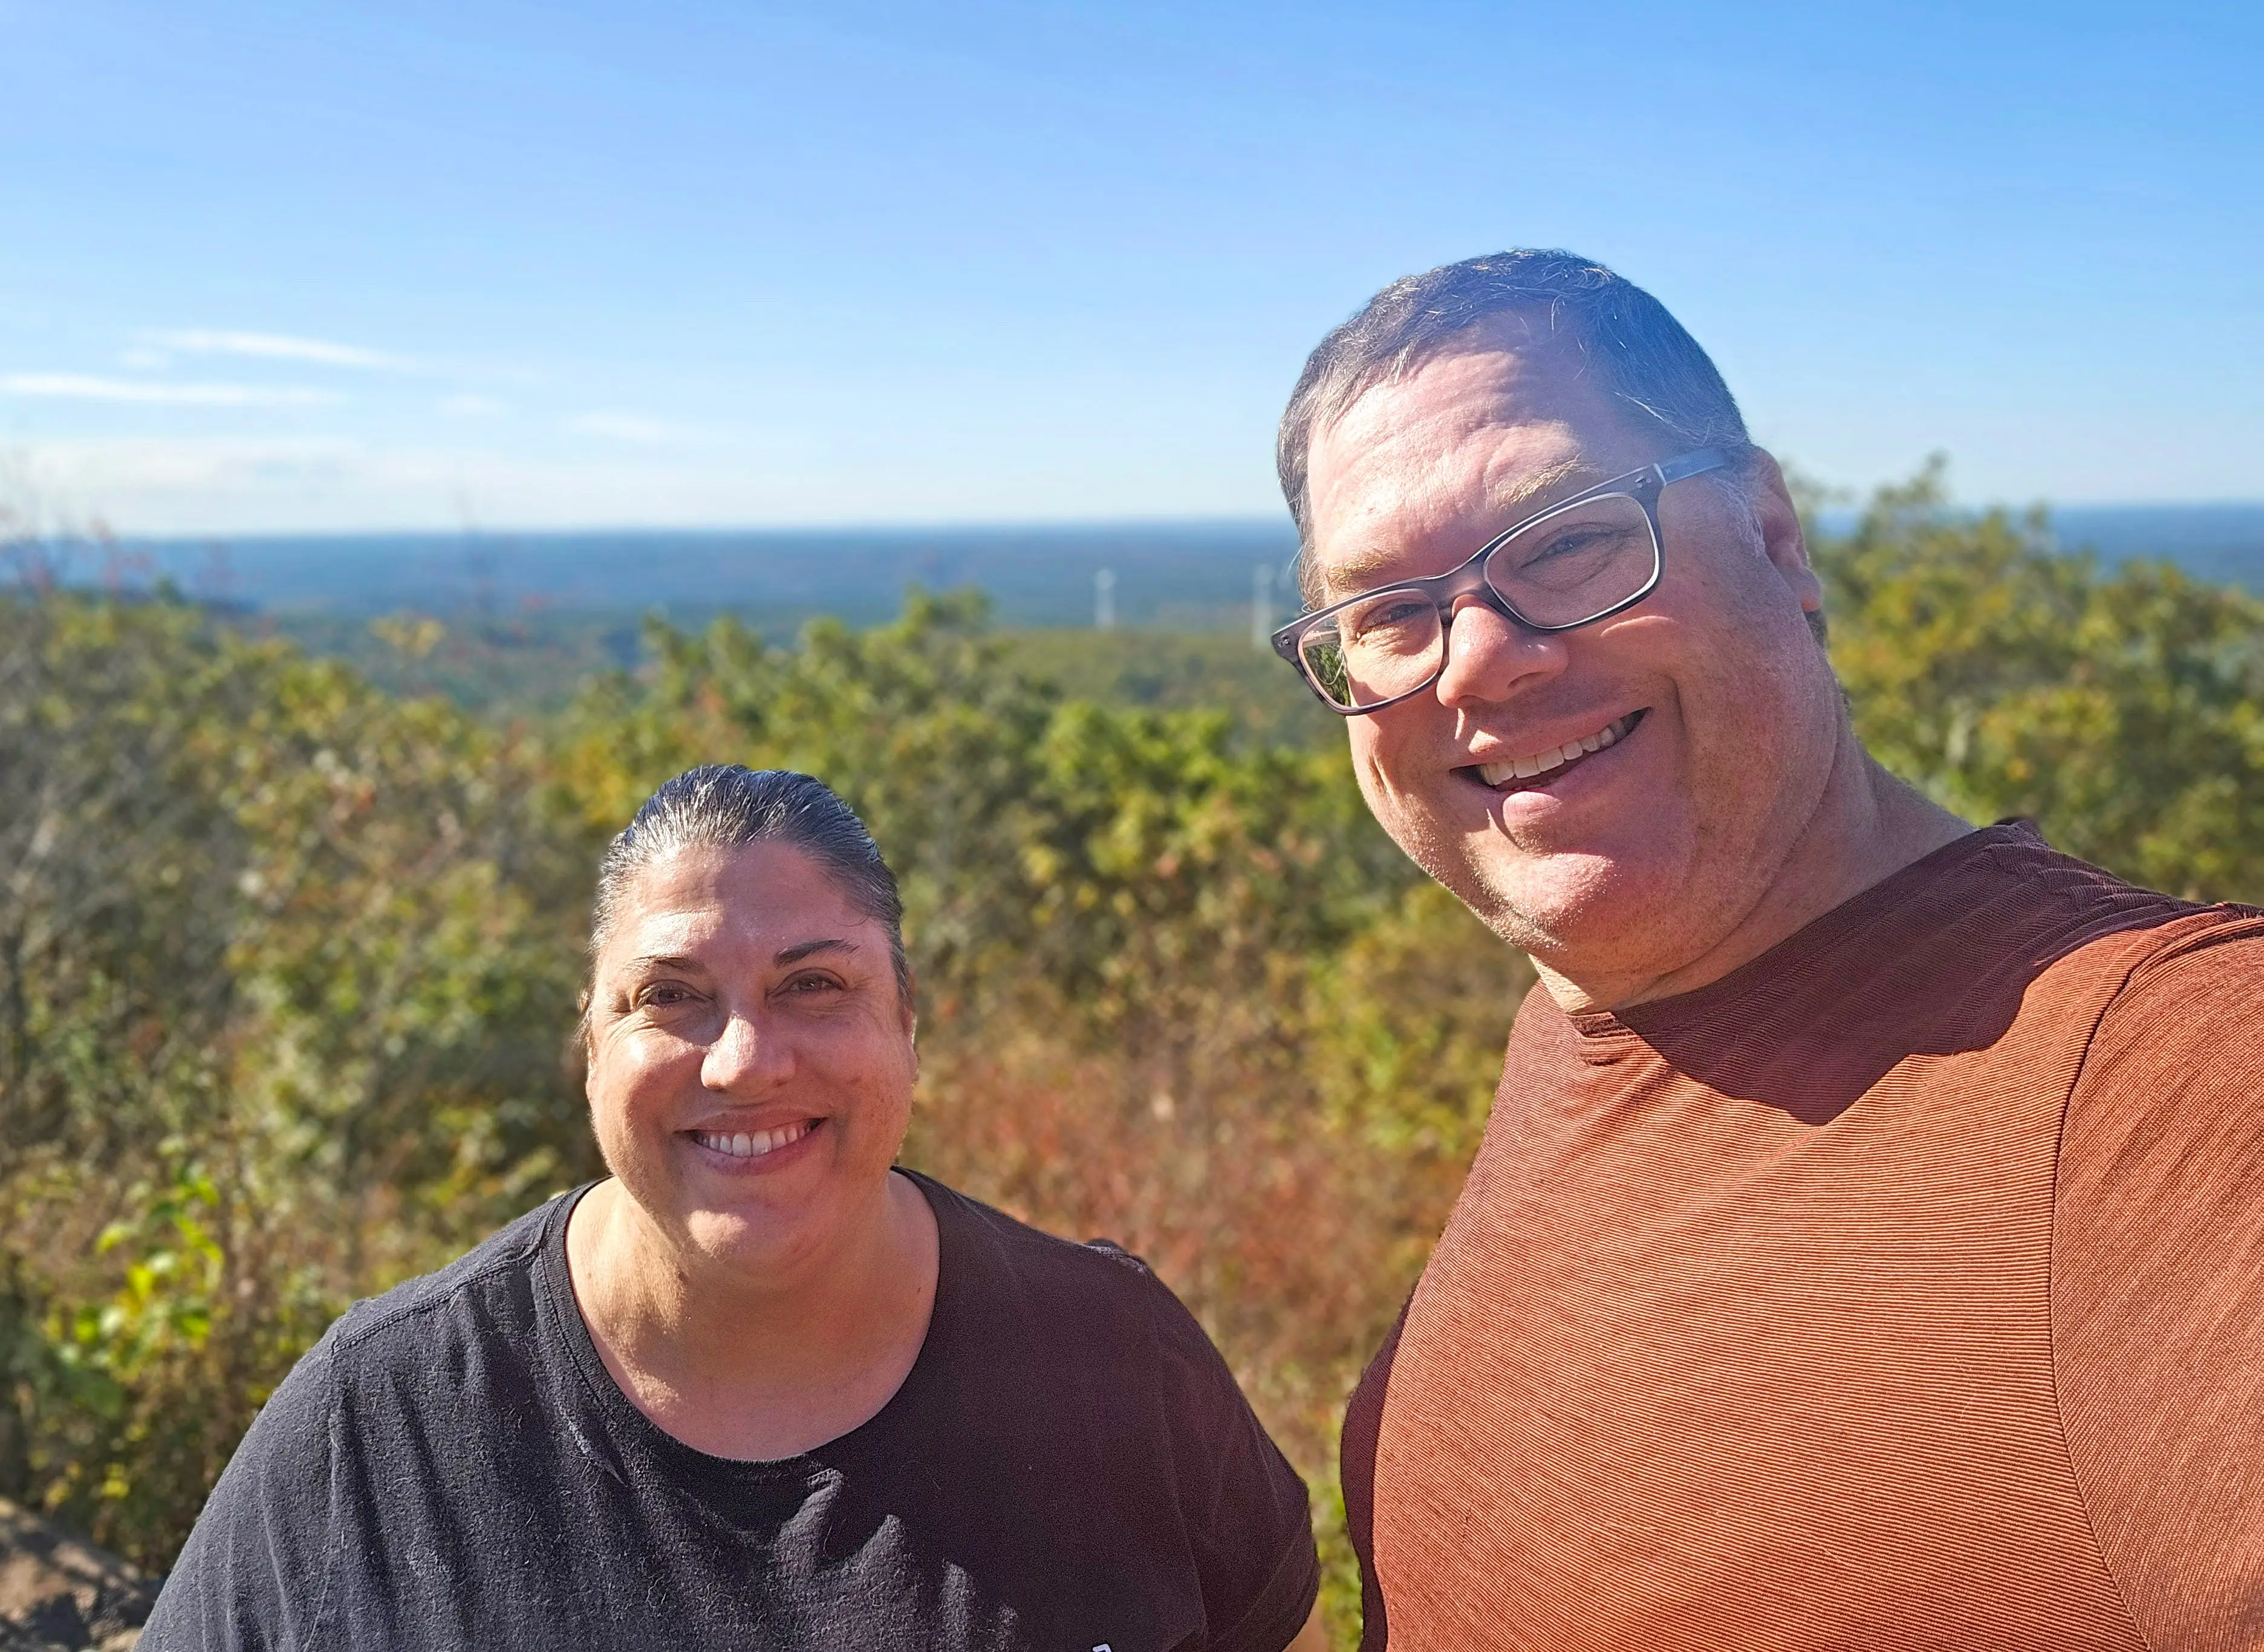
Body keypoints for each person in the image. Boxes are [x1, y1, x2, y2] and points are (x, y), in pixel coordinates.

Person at [1269, 250, 2264, 1650]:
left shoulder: (2176, 1084)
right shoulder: (1600, 1026)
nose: (1479, 661)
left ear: (1777, 541)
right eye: (1390, 615)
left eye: (1564, 541)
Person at [145, 765, 1325, 1652]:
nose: (745, 1060)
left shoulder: (1115, 1364)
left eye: (814, 985)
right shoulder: (383, 1421)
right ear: (591, 1046)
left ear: (907, 1028)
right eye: (672, 997)